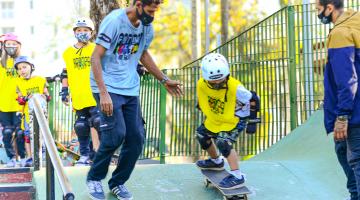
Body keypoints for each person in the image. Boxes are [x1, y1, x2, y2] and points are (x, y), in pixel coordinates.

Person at [86, 0, 182, 199]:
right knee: (115, 135)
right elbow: (95, 57)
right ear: (138, 4)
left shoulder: (147, 28)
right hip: (106, 85)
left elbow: (143, 54)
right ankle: (94, 178)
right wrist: (103, 93)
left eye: (155, 11)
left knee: (136, 138)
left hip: (129, 87)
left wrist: (164, 79)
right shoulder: (114, 21)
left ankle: (118, 182)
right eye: (149, 11)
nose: (152, 16)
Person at [316, 0, 360, 199]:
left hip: (354, 112)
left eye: (318, 10)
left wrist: (342, 116)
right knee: (341, 148)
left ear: (330, 8)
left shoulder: (340, 34)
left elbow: (346, 79)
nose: (318, 14)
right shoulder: (355, 23)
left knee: (356, 159)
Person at [195, 53, 259, 189]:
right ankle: (216, 161)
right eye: (214, 82)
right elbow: (203, 95)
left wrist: (252, 121)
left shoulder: (235, 87)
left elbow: (254, 99)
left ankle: (237, 176)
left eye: (221, 81)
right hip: (218, 117)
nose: (218, 84)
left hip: (236, 118)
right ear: (206, 79)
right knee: (201, 134)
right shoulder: (202, 84)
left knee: (223, 142)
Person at [61, 17, 101, 166]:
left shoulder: (96, 48)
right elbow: (65, 72)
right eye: (79, 30)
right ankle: (84, 155)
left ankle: (97, 154)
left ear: (91, 32)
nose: (82, 33)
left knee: (97, 122)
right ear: (74, 33)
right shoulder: (68, 52)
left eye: (85, 30)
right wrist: (64, 90)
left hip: (96, 94)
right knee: (80, 126)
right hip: (79, 95)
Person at [14, 56, 50, 167]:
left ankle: (42, 153)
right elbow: (19, 99)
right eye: (19, 69)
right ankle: (30, 157)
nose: (22, 70)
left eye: (24, 67)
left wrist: (43, 96)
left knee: (42, 133)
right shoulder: (18, 82)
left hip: (40, 113)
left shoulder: (40, 79)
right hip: (27, 114)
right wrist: (24, 99)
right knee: (28, 135)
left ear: (31, 67)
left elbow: (47, 95)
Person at [0, 33, 24, 167]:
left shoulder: (23, 62)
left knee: (20, 133)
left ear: (19, 46)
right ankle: (12, 158)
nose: (10, 47)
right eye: (7, 44)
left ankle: (22, 157)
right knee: (7, 132)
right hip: (3, 104)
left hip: (19, 104)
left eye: (13, 44)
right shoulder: (1, 63)